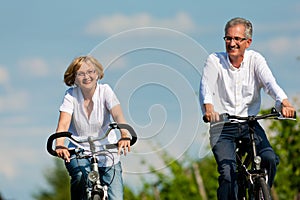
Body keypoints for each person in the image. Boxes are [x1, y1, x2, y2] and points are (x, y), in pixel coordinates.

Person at [199, 17, 295, 200]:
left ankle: (260, 193)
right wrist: (209, 109)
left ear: (248, 42)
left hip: (249, 124)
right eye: (228, 38)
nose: (232, 43)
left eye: (237, 39)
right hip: (223, 126)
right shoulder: (214, 60)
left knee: (269, 158)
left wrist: (284, 102)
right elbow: (206, 88)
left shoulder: (255, 60)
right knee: (228, 175)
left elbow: (270, 84)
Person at [55, 55, 131, 200]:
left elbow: (118, 115)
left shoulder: (105, 91)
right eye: (81, 73)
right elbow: (63, 124)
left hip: (108, 152)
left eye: (90, 72)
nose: (87, 77)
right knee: (80, 176)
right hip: (79, 151)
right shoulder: (71, 95)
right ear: (74, 78)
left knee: (116, 197)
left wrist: (124, 135)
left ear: (97, 74)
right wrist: (60, 144)